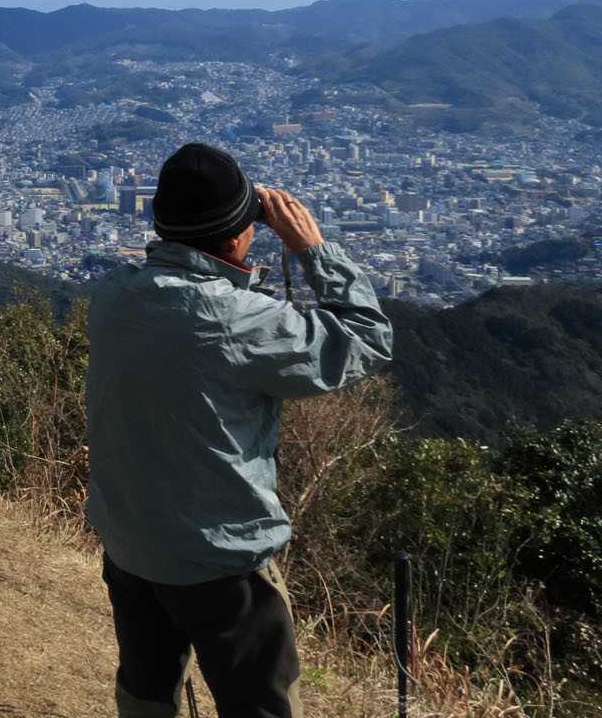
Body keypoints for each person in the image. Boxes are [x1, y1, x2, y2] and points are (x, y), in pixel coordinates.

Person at [86, 143, 393, 718]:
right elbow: (366, 339)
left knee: (145, 691)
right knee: (260, 705)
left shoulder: (114, 295)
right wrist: (313, 249)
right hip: (219, 559)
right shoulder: (239, 320)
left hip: (130, 542)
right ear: (234, 239)